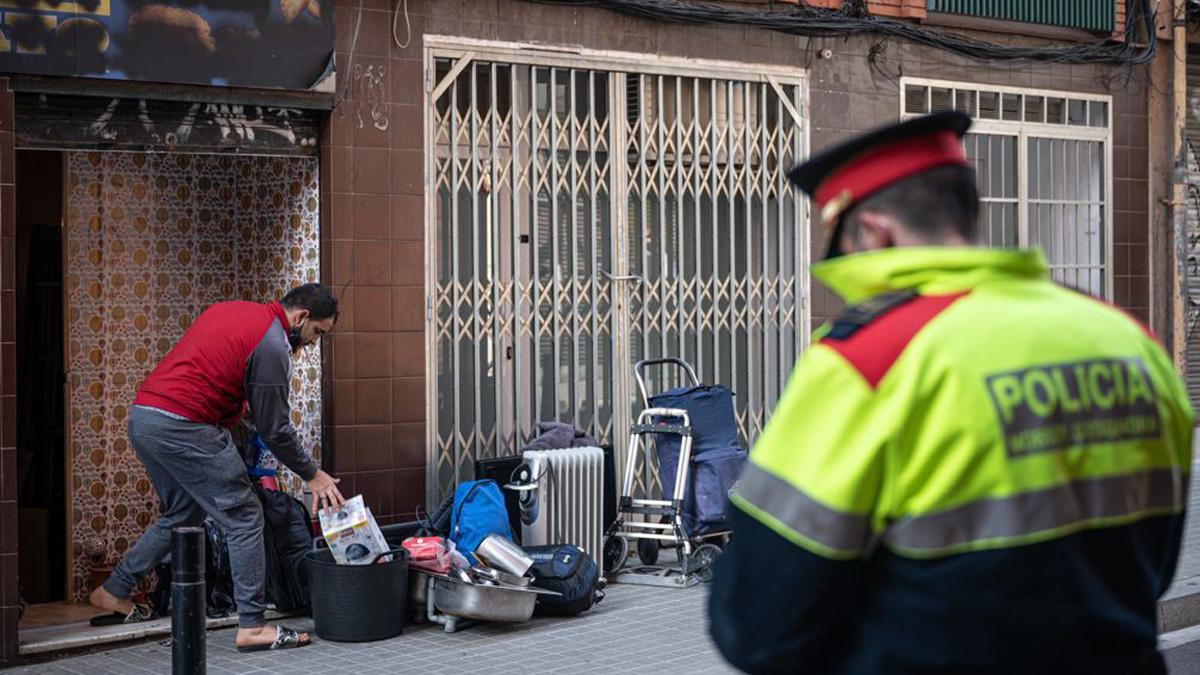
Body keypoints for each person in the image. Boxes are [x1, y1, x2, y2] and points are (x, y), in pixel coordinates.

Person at [708, 111, 1194, 674]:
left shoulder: (871, 360)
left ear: (872, 232)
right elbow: (1154, 563)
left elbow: (760, 624)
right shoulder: (1129, 340)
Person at [89, 283, 346, 652]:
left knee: (183, 511)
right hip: (184, 425)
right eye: (317, 333)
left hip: (146, 418)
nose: (312, 343)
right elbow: (275, 428)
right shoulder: (273, 344)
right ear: (301, 316)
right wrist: (312, 473)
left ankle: (114, 589)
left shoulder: (233, 310)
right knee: (243, 516)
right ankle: (253, 626)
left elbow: (217, 374)